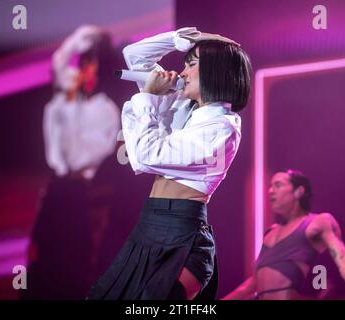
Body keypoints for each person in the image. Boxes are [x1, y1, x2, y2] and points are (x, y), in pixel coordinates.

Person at [87, 27, 252, 300]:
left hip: (182, 235)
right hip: (150, 225)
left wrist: (147, 98)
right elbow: (134, 56)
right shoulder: (182, 106)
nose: (183, 73)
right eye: (184, 65)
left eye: (192, 65)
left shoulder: (222, 126)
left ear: (216, 70)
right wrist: (180, 40)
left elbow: (145, 156)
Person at [23, 26, 120, 299]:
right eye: (82, 64)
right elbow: (58, 63)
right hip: (54, 191)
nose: (82, 71)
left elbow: (75, 157)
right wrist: (79, 38)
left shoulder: (105, 112)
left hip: (77, 197)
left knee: (70, 269)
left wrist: (72, 101)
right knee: (38, 266)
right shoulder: (65, 100)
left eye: (91, 65)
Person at [223, 169, 345, 300]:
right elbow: (254, 283)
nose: (270, 190)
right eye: (270, 186)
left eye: (278, 185)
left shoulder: (318, 222)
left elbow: (342, 256)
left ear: (298, 192)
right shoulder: (270, 233)